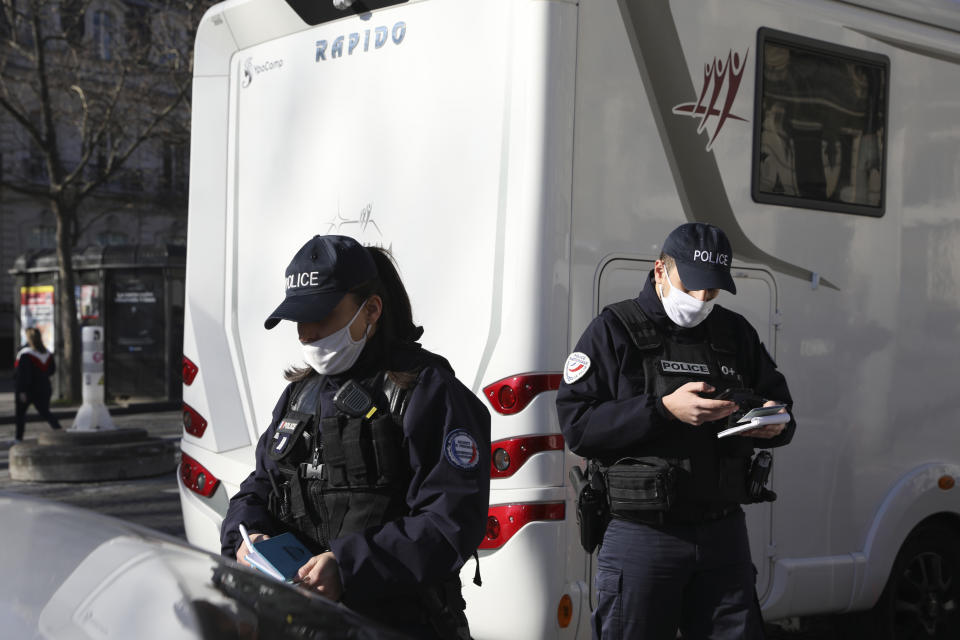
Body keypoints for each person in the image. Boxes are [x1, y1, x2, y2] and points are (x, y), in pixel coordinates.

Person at [220, 234, 490, 639]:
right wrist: (246, 537)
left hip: (398, 625)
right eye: (298, 319)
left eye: (320, 315)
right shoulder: (300, 395)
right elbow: (258, 489)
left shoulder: (427, 392)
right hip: (302, 623)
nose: (306, 334)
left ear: (372, 310)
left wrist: (349, 567)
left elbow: (449, 523)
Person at [556, 223, 796, 640]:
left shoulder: (735, 333)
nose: (702, 299)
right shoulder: (614, 330)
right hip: (643, 535)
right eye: (693, 286)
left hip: (722, 532)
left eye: (713, 290)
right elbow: (578, 427)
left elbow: (782, 408)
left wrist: (774, 423)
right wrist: (664, 409)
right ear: (660, 271)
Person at [13, 327, 62, 443]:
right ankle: (59, 430)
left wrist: (22, 391)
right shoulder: (47, 354)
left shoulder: (25, 354)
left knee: (20, 415)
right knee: (45, 412)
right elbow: (51, 371)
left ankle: (18, 439)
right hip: (44, 388)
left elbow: (22, 375)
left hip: (27, 389)